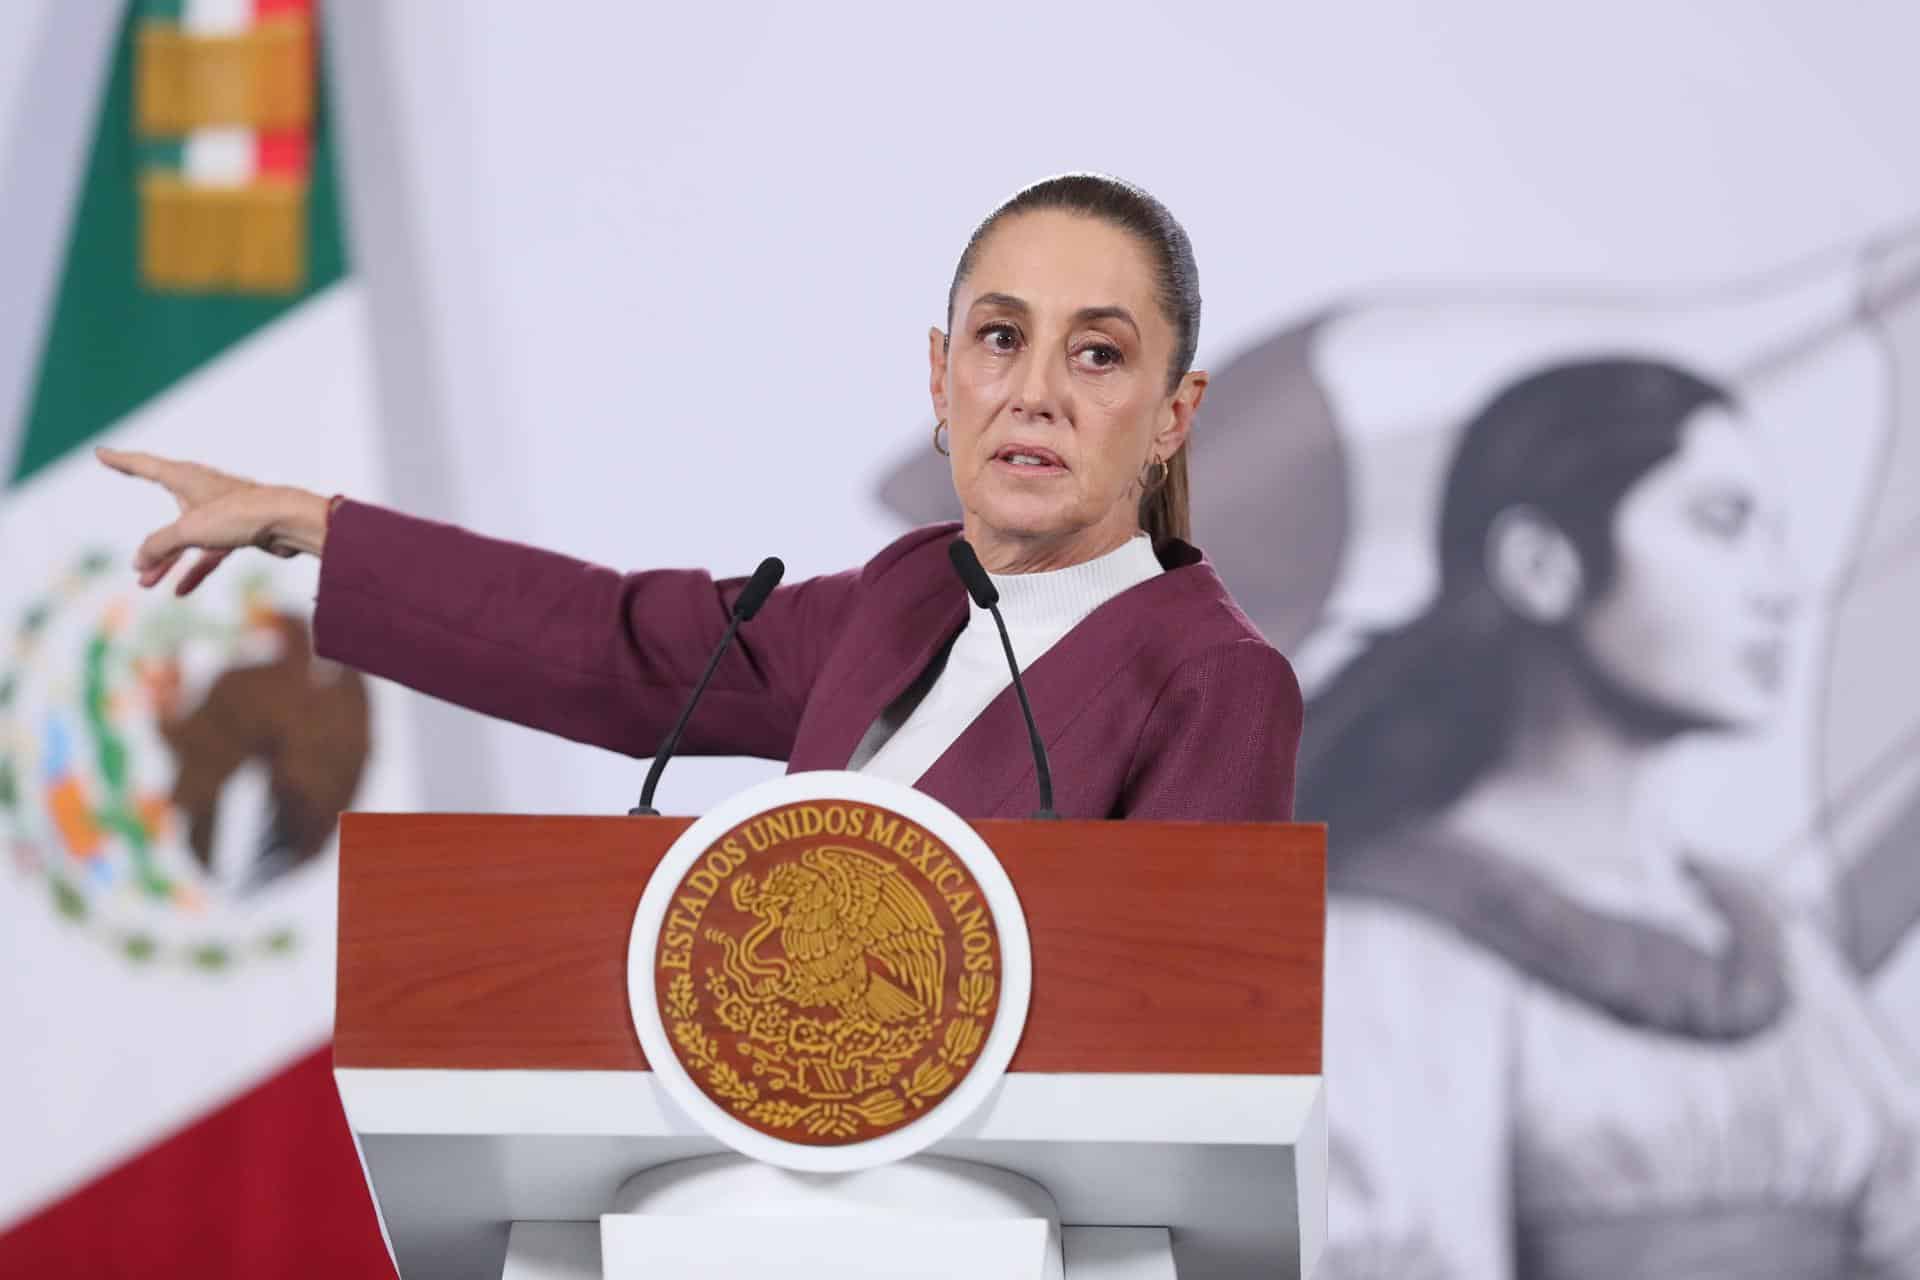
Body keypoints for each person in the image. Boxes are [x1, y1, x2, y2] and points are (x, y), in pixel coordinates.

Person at [99, 173, 1303, 822]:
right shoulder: (900, 601)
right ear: (940, 375)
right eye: (1000, 337)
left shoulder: (1208, 675)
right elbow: (605, 643)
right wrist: (314, 524)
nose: (1033, 392)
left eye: (1097, 353)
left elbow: (1180, 1049)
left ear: (1174, 413)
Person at [1307, 359, 1920, 1276]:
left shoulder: (1774, 943)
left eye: (1775, 535)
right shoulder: (1387, 945)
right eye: (1723, 524)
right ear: (1541, 564)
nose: (1781, 588)